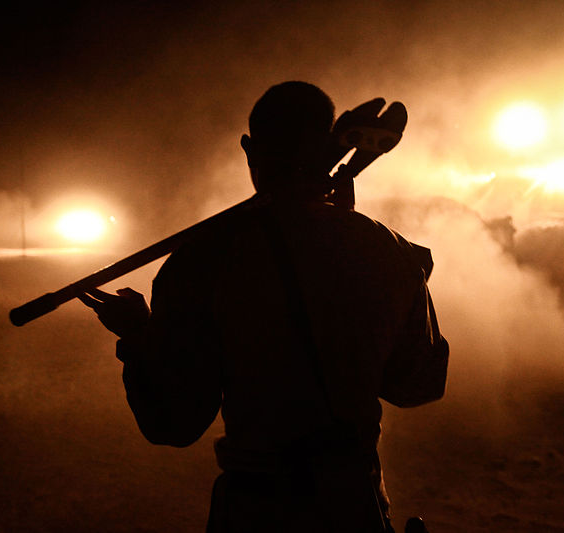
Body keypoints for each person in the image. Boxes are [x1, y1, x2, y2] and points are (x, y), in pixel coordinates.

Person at [80, 81, 449, 532]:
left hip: (256, 513)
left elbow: (174, 423)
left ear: (249, 149)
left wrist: (139, 336)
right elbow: (419, 384)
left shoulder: (202, 259)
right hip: (357, 507)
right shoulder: (390, 249)